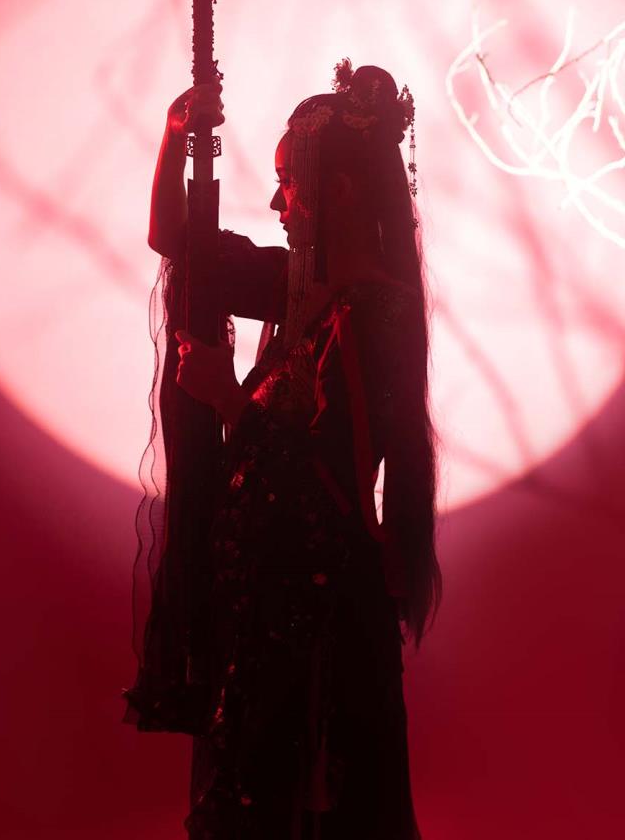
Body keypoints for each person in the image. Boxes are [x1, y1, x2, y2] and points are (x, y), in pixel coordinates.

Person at [123, 61, 441, 839]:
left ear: (338, 191)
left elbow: (322, 477)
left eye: (288, 184)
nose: (277, 204)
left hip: (327, 620)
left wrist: (230, 399)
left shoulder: (381, 316)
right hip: (271, 615)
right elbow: (179, 243)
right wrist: (176, 139)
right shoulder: (298, 289)